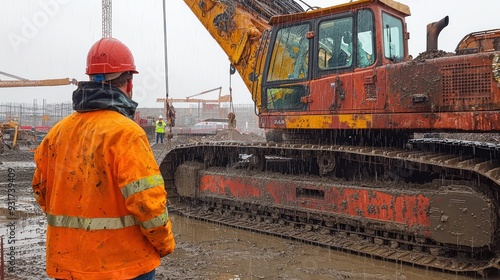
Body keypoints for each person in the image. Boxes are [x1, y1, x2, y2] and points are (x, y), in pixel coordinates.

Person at [32, 37, 175, 280]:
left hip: (68, 265)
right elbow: (148, 205)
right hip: (124, 266)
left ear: (89, 80)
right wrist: (165, 244)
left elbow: (40, 189)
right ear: (129, 83)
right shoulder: (127, 134)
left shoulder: (57, 133)